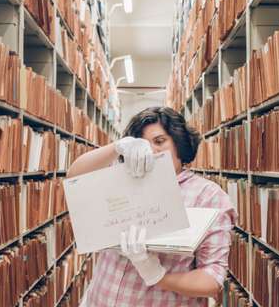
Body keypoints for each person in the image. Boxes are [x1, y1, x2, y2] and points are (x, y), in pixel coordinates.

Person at [68, 106, 237, 306]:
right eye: (141, 144)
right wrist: (117, 147)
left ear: (179, 145)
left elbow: (213, 279)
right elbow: (74, 179)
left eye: (159, 141)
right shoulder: (120, 177)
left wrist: (156, 275)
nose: (149, 151)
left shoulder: (207, 196)